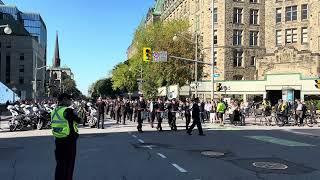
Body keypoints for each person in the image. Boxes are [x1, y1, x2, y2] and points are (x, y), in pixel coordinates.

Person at [51, 93, 81, 180]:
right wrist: (75, 113)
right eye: (69, 99)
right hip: (69, 141)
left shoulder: (54, 111)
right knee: (69, 165)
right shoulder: (68, 111)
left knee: (60, 165)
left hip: (58, 140)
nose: (70, 101)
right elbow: (79, 120)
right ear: (64, 99)